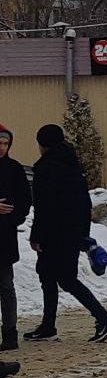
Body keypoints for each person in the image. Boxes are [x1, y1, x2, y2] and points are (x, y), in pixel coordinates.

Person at [24, 124, 107, 343]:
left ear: (42, 145)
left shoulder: (45, 168)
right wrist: (82, 235)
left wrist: (36, 236)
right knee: (48, 275)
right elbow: (83, 202)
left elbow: (44, 206)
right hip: (71, 232)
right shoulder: (72, 164)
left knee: (66, 279)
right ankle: (48, 326)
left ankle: (105, 318)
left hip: (53, 234)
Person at [0, 122, 32, 351]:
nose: (2, 147)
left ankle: (10, 333)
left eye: (5, 143)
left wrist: (13, 218)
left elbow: (24, 201)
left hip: (4, 236)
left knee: (6, 287)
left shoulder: (14, 168)